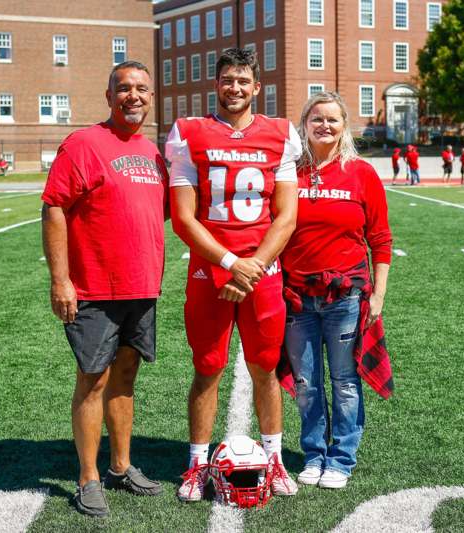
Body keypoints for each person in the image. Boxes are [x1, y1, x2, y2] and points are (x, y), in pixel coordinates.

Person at [166, 48, 300, 502]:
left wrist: (254, 265)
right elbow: (183, 218)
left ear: (256, 87)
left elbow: (286, 217)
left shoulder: (281, 134)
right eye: (227, 80)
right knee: (207, 368)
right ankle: (196, 466)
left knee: (265, 368)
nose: (235, 88)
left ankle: (275, 458)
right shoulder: (189, 133)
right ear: (216, 85)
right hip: (211, 271)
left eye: (243, 80)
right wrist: (230, 263)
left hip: (262, 270)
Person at [41, 61, 167, 518]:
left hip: (141, 287)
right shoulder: (83, 143)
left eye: (142, 89)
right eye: (124, 88)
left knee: (126, 378)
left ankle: (121, 466)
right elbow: (54, 208)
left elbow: (157, 214)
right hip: (94, 289)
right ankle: (88, 477)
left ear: (151, 97)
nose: (133, 96)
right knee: (92, 381)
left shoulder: (154, 153)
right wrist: (61, 280)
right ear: (108, 94)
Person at [280, 91, 392, 489]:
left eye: (333, 119)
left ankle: (342, 458)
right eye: (317, 119)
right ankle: (314, 453)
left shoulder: (361, 174)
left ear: (345, 125)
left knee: (345, 380)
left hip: (346, 296)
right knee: (307, 382)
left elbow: (380, 238)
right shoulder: (290, 171)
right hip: (296, 295)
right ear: (304, 125)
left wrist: (378, 294)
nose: (324, 126)